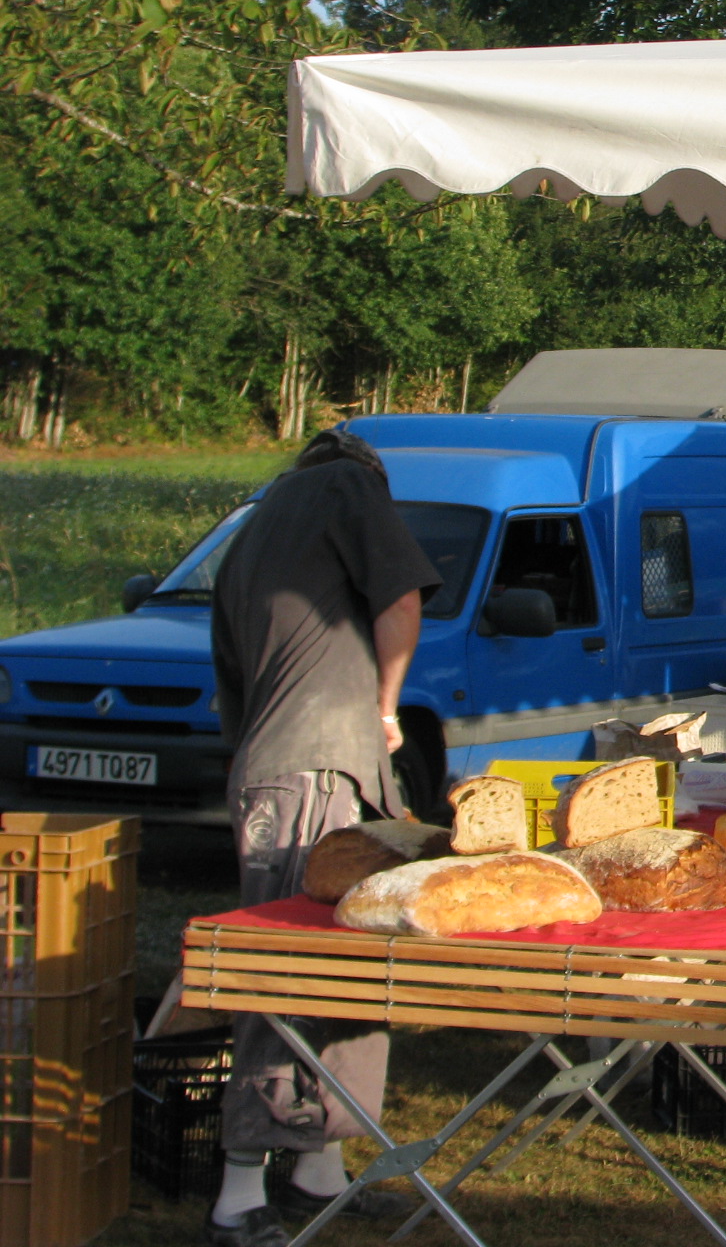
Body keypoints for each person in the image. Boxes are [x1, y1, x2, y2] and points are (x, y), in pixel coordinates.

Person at [209, 430, 442, 1247]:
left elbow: (232, 689)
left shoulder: (251, 533)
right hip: (319, 768)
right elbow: (403, 597)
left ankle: (319, 1167)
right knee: (286, 970)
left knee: (351, 967)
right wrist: (386, 708)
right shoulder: (350, 485)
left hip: (282, 768)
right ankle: (240, 1191)